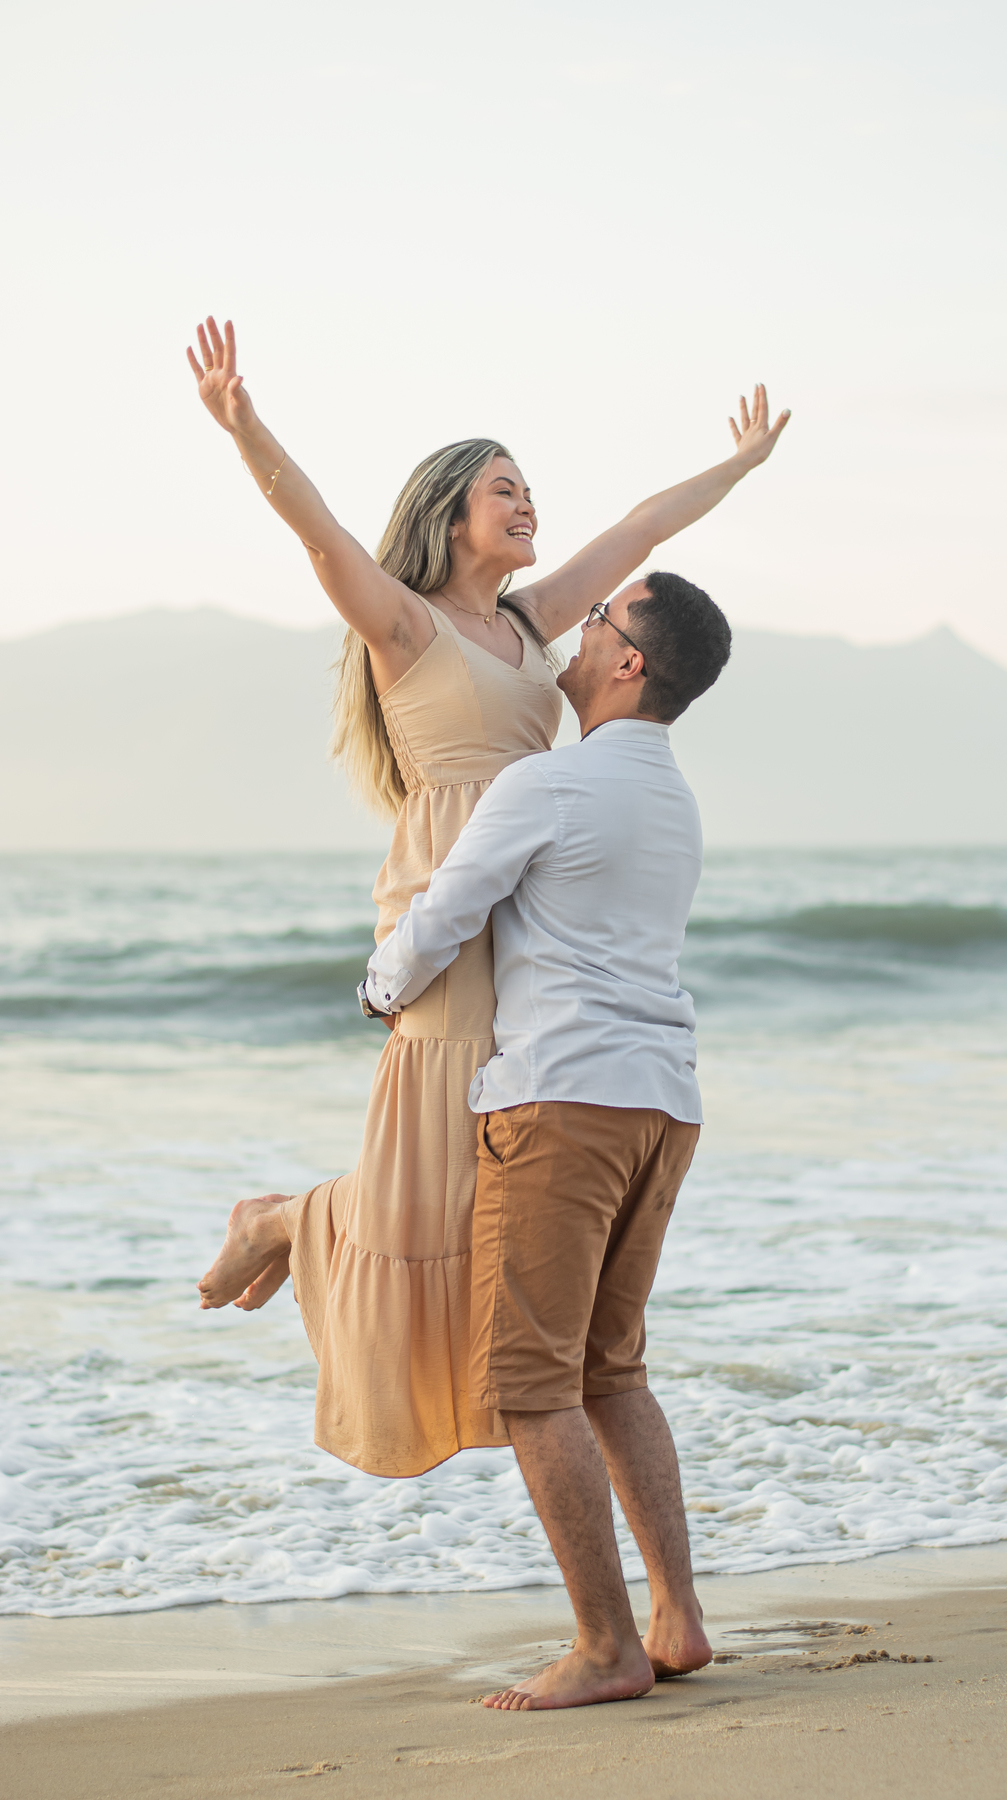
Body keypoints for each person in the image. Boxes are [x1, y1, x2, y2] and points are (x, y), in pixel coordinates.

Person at [192, 315, 788, 1481]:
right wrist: (242, 425)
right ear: (451, 513)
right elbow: (316, 532)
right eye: (504, 490)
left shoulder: (529, 622)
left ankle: (320, 1244)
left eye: (529, 489)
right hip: (447, 897)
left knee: (487, 1178)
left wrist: (739, 466)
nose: (527, 504)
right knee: (431, 1179)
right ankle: (282, 1222)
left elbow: (641, 530)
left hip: (531, 904)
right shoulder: (405, 624)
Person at [209, 571, 726, 1709]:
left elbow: (446, 907)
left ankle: (606, 1648)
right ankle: (676, 1618)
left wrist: (377, 987)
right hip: (665, 1102)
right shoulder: (674, 798)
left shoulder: (551, 782)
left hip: (562, 1104)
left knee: (532, 1385)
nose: (579, 632)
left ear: (629, 661)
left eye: (600, 619)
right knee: (611, 1367)